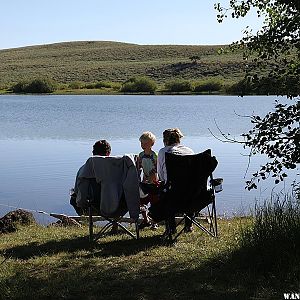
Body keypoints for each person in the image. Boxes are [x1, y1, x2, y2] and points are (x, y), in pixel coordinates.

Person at [157, 128, 195, 233]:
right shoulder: (189, 151)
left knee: (163, 189)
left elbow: (161, 176)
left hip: (172, 195)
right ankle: (189, 225)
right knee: (188, 186)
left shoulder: (163, 152)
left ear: (165, 140)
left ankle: (171, 227)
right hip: (192, 195)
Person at [70, 139, 111, 215]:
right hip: (115, 206)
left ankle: (85, 221)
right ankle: (115, 224)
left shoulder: (84, 169)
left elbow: (78, 191)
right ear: (108, 154)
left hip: (92, 207)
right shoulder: (116, 169)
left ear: (93, 153)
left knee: (73, 196)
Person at [137, 131, 159, 230]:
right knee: (142, 201)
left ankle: (154, 222)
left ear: (152, 144)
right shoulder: (141, 155)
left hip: (154, 181)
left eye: (145, 143)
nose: (143, 145)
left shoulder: (155, 155)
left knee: (154, 202)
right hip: (145, 181)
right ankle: (146, 219)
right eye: (142, 143)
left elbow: (157, 167)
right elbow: (139, 167)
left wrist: (152, 175)